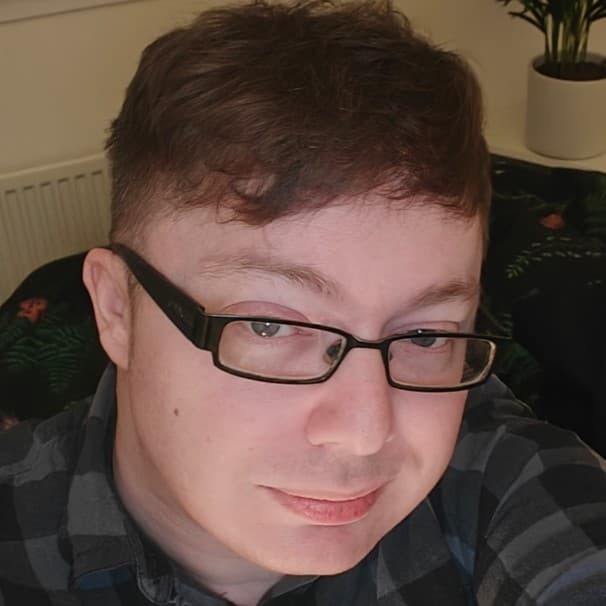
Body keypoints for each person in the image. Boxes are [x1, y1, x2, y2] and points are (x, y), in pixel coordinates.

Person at [1, 1, 606, 604]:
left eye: (425, 336)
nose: (364, 433)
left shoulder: (507, 484)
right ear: (116, 308)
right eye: (269, 325)